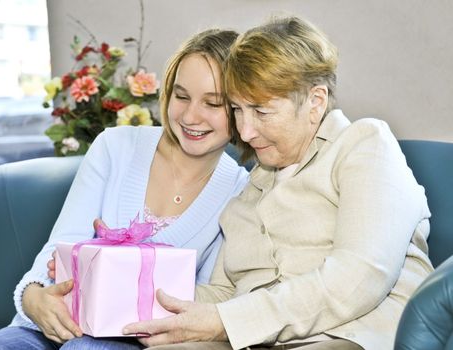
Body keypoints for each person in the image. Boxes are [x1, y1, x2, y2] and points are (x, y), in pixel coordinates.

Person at [121, 15, 433, 350]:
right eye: (238, 110)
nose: (245, 131)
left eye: (262, 112)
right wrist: (127, 289)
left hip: (354, 334)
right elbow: (226, 293)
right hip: (265, 340)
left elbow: (359, 275)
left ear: (316, 101)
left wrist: (227, 321)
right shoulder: (252, 185)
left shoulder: (364, 145)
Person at [0, 28, 248, 350]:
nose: (189, 116)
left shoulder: (241, 191)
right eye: (181, 96)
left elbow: (203, 302)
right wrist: (33, 296)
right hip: (48, 328)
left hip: (137, 340)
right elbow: (62, 244)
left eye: (213, 103)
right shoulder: (115, 146)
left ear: (241, 108)